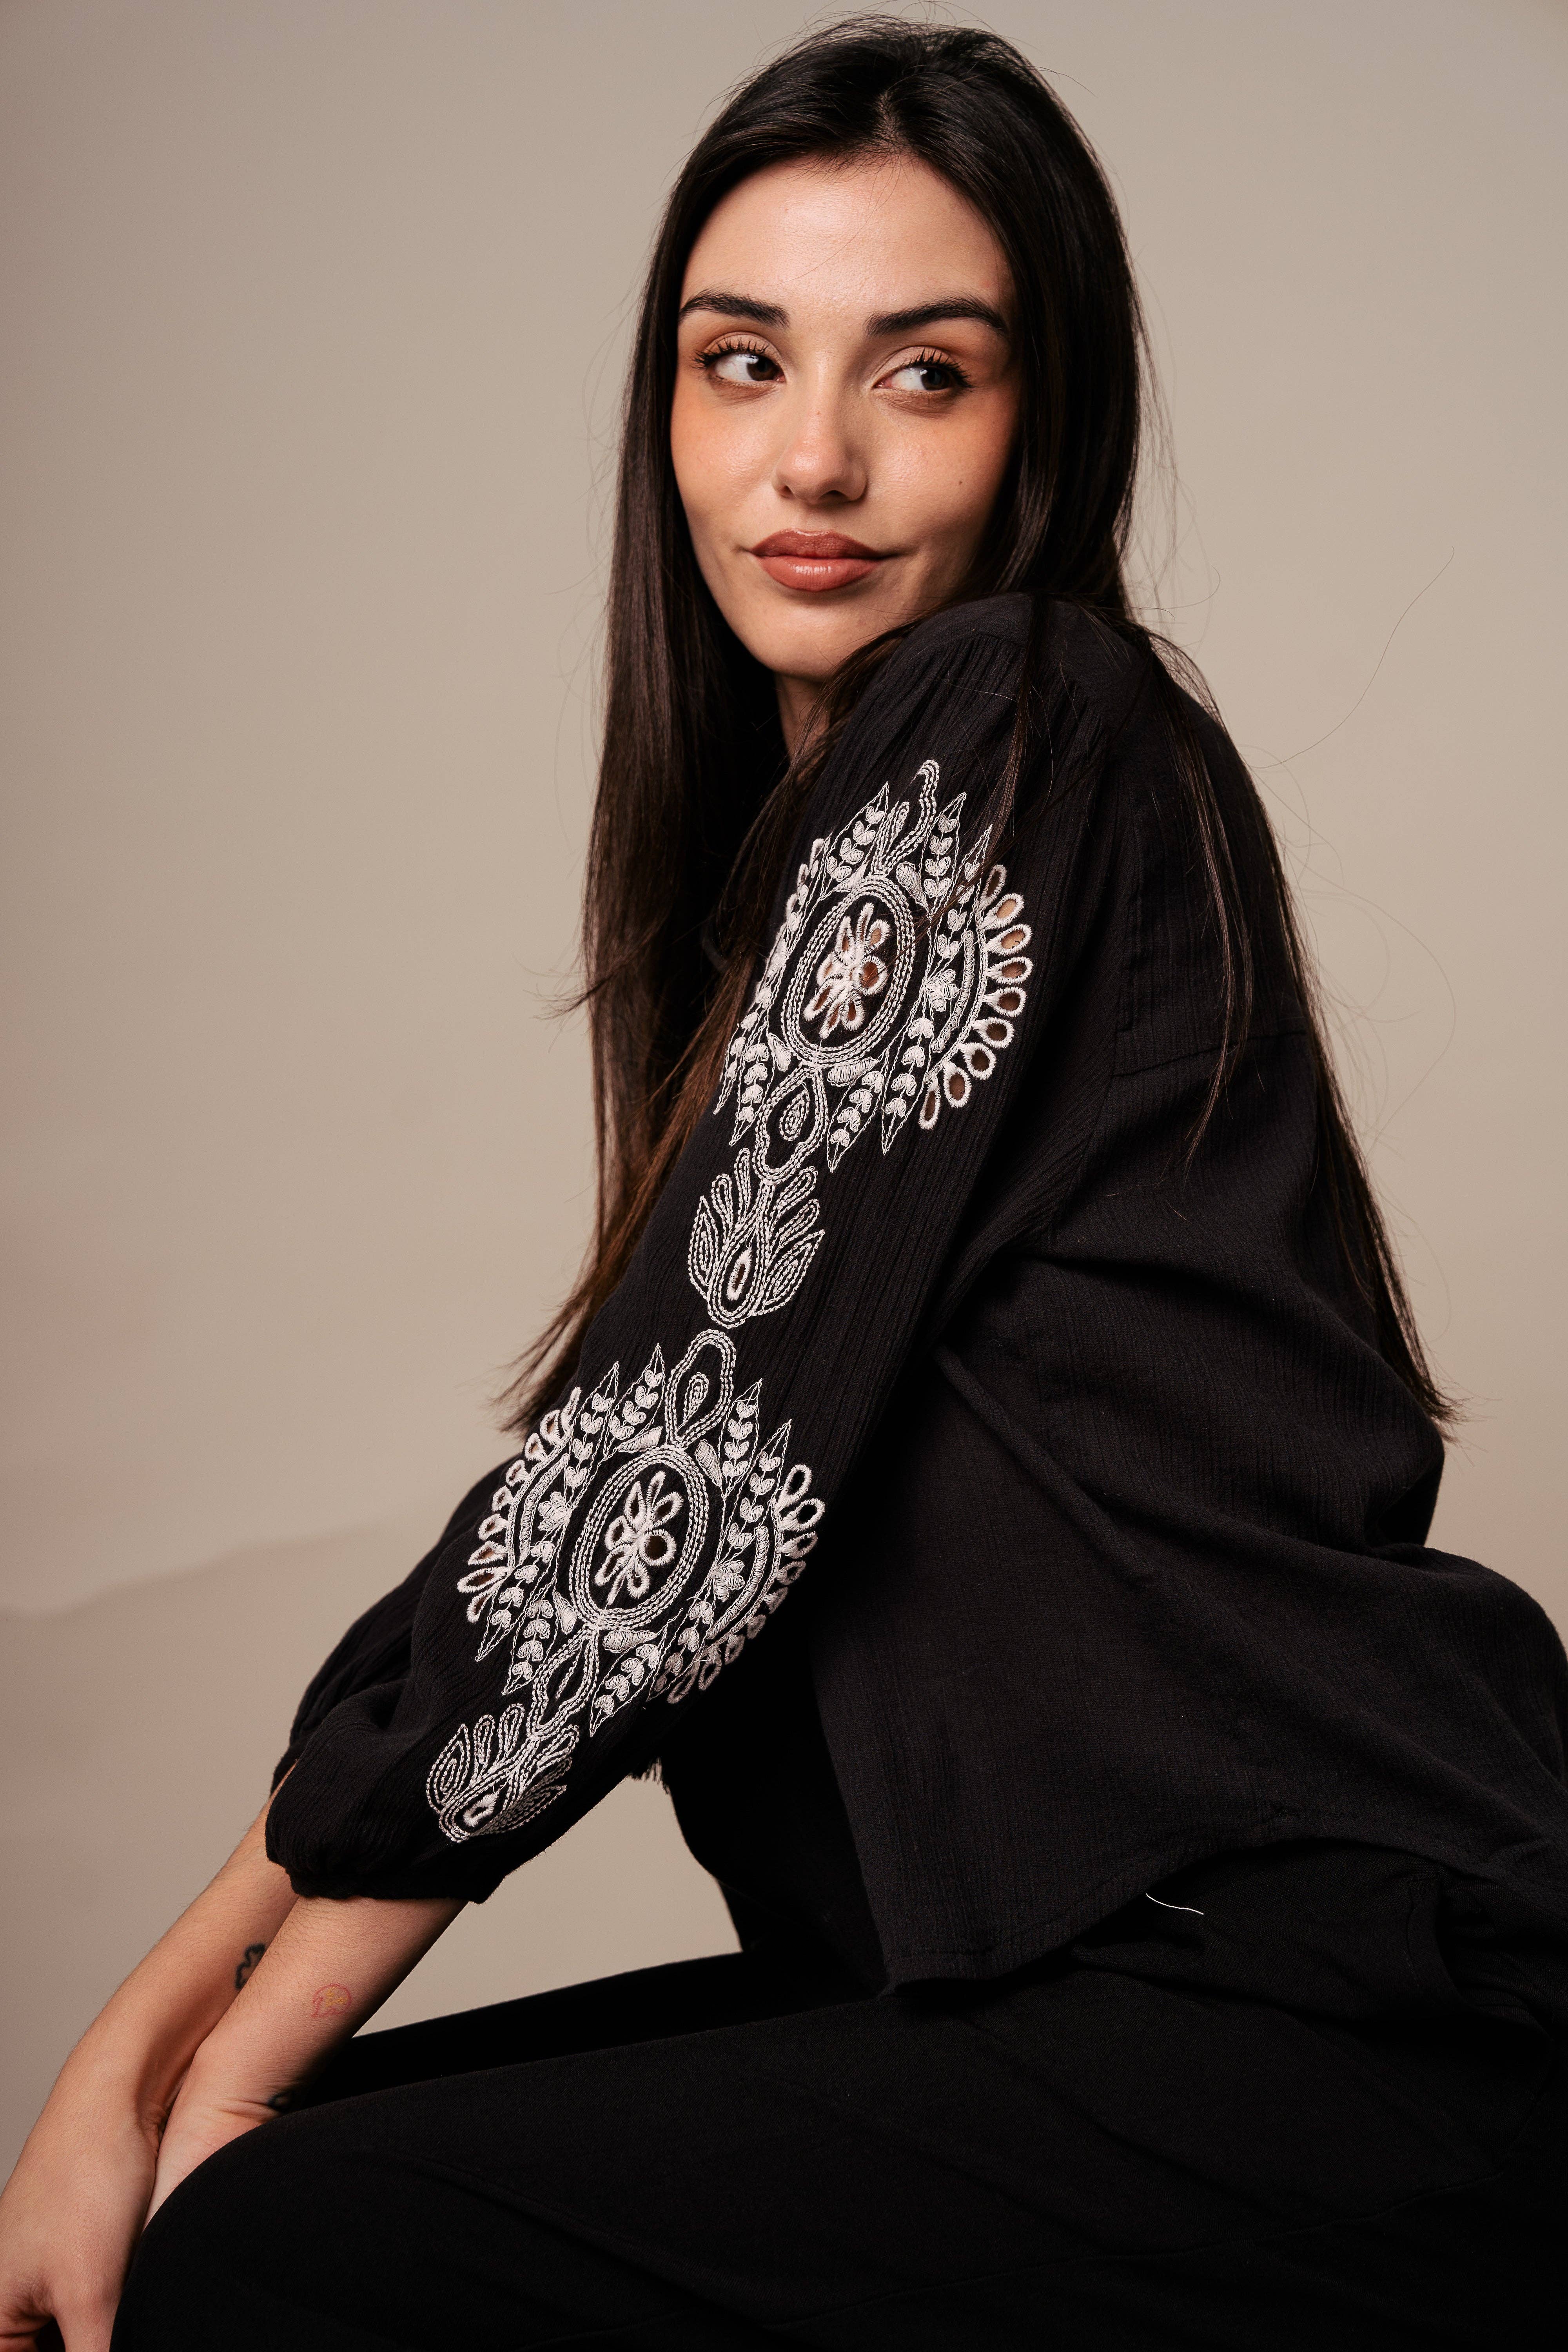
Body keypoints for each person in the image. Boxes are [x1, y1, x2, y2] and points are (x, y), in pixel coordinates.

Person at [3, 18, 1566, 2348]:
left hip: (1318, 2012)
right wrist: (159, 2057)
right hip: (1090, 1990)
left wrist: (188, 2070)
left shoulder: (1024, 717)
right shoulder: (828, 865)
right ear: (667, 407)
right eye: (743, 362)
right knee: (262, 2217)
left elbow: (680, 1493)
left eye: (925, 374)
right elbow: (635, 1475)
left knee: (268, 2244)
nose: (812, 456)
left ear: (1045, 424)